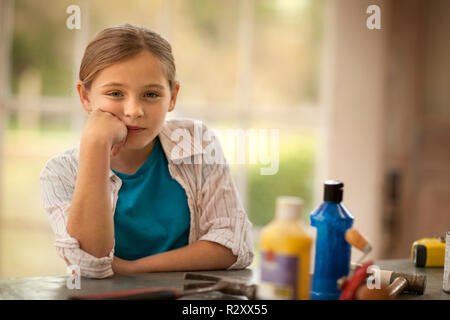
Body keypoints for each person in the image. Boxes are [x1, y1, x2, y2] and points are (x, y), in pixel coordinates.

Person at [39, 24, 254, 279]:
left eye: (151, 94)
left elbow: (233, 245)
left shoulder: (196, 142)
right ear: (85, 97)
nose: (134, 111)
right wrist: (96, 144)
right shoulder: (60, 173)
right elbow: (90, 263)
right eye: (115, 93)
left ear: (172, 96)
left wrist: (133, 269)